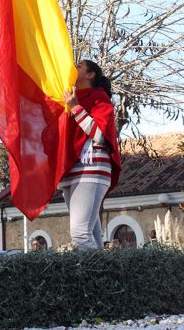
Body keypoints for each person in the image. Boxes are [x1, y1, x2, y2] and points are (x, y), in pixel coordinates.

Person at [59, 60, 122, 250]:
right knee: (92, 233)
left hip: (92, 168)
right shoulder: (67, 99)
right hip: (72, 168)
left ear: (90, 74)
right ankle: (102, 275)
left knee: (79, 233)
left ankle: (95, 278)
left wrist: (76, 109)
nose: (72, 66)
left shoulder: (100, 98)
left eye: (79, 65)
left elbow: (100, 135)